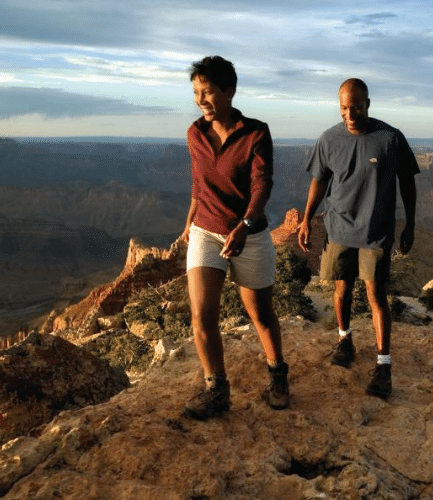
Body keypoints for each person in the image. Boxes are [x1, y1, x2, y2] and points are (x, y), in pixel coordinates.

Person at [180, 55, 289, 419]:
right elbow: (199, 183)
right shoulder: (194, 134)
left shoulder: (256, 132)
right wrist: (190, 221)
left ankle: (277, 374)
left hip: (250, 233)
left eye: (207, 92)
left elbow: (262, 184)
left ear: (229, 91)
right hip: (205, 232)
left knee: (259, 313)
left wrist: (246, 223)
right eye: (195, 92)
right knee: (202, 314)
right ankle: (217, 390)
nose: (200, 100)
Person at [297, 78, 419, 399]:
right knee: (341, 288)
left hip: (375, 231)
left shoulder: (390, 139)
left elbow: (408, 183)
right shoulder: (328, 139)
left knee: (376, 296)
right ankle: (344, 339)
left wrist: (411, 224)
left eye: (356, 107)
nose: (350, 114)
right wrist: (307, 219)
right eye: (344, 108)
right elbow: (319, 182)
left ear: (368, 103)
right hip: (338, 228)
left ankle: (383, 366)